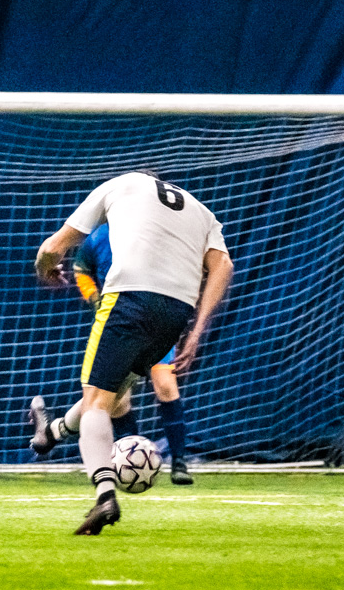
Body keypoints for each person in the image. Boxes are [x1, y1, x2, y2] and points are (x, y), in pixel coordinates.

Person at [29, 171, 232, 534]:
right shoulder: (201, 210)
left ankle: (105, 495)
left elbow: (53, 248)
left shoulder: (117, 185)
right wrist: (197, 332)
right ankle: (53, 432)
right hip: (175, 312)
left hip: (128, 297)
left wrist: (45, 269)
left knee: (96, 401)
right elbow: (223, 266)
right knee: (116, 391)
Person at [40, 223, 195, 485]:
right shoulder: (99, 236)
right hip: (118, 323)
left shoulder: (159, 233)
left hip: (154, 321)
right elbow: (81, 269)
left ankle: (179, 462)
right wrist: (95, 300)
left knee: (165, 384)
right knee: (114, 400)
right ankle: (127, 459)